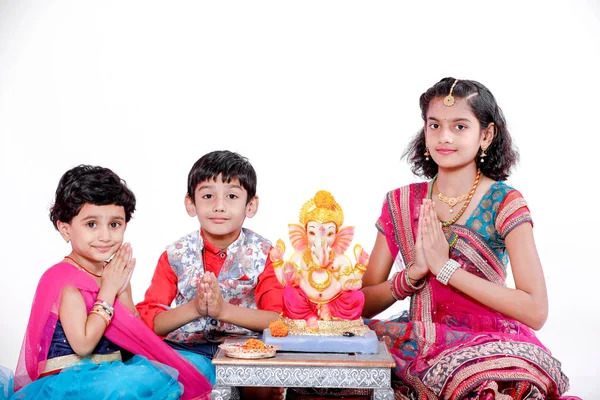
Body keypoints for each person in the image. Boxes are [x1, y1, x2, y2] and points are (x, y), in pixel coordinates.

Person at [361, 78, 578, 399]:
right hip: (419, 338)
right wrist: (413, 274)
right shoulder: (400, 202)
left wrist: (445, 269)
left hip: (494, 342)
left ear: (486, 135)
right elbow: (362, 303)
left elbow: (536, 311)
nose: (444, 137)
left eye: (460, 126)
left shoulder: (505, 202)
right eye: (434, 125)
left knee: (490, 389)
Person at [6, 165, 211, 400]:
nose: (105, 236)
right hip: (71, 383)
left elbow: (136, 334)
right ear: (65, 229)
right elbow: (83, 345)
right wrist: (109, 290)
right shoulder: (63, 280)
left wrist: (122, 293)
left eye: (114, 224)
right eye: (91, 224)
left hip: (116, 371)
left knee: (194, 365)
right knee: (128, 386)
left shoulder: (112, 272)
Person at [136, 150, 285, 399]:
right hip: (185, 350)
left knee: (262, 388)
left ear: (251, 205)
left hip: (246, 351)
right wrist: (196, 308)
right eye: (207, 196)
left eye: (232, 196)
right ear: (190, 204)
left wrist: (223, 311)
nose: (219, 206)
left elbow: (278, 320)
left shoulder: (266, 254)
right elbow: (152, 321)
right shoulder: (174, 255)